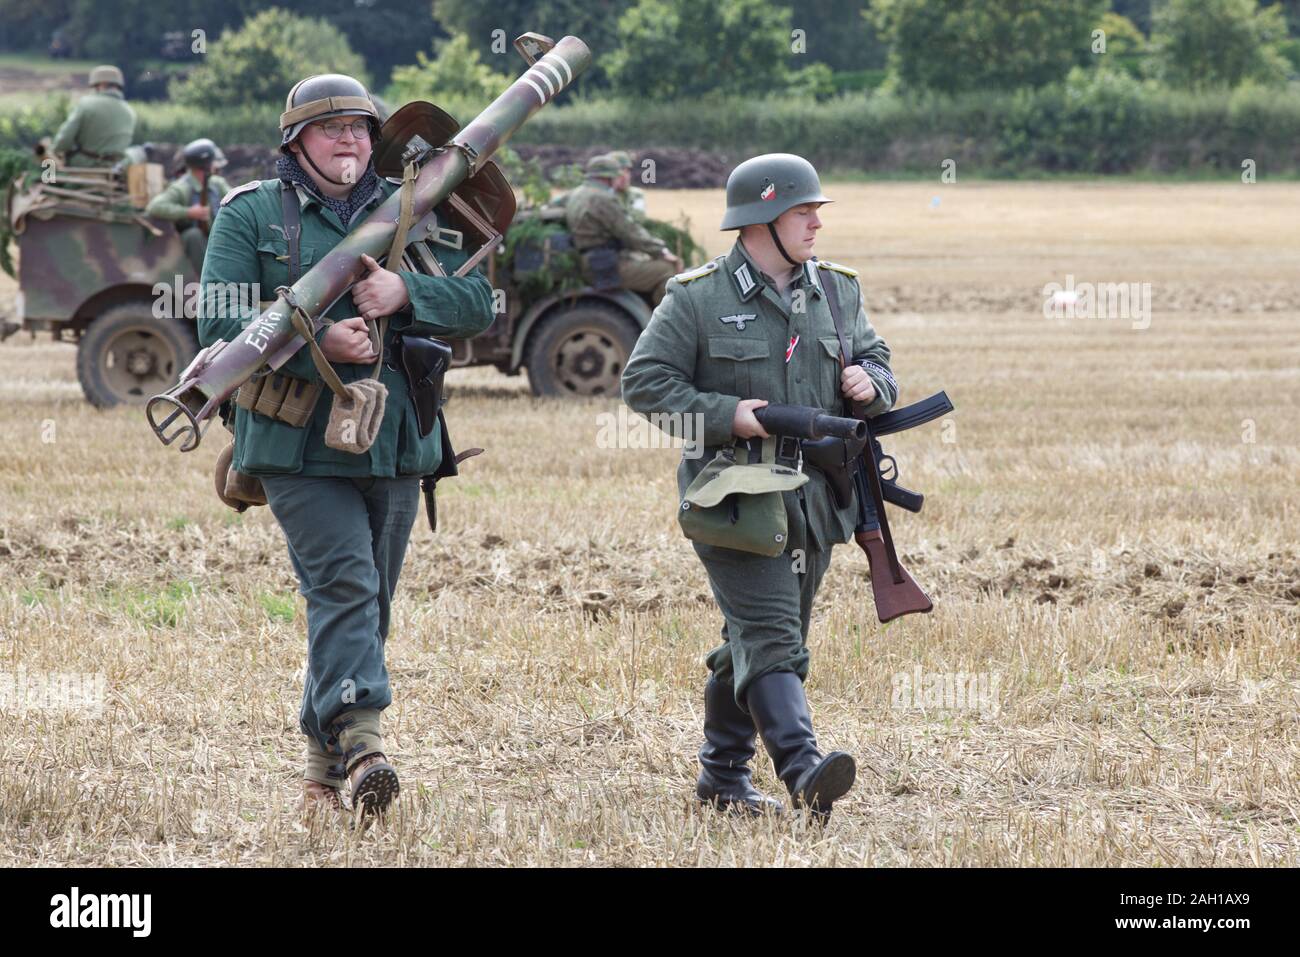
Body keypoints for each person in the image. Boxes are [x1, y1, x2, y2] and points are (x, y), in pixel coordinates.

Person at [198, 73, 495, 820]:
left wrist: (408, 295)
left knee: (363, 608)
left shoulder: (413, 208)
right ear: (294, 142)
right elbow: (218, 325)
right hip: (295, 445)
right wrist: (313, 338)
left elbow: (479, 301)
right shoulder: (252, 215)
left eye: (362, 129)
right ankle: (365, 745)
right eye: (332, 130)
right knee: (345, 590)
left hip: (397, 443)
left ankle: (318, 780)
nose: (351, 142)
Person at [621, 153, 899, 820]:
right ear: (760, 221)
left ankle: (721, 780)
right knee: (775, 639)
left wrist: (872, 383)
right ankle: (803, 769)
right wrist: (728, 416)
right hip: (737, 498)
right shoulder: (696, 297)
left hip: (819, 497)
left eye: (816, 211)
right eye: (804, 211)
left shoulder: (836, 290)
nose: (816, 223)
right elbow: (645, 385)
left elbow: (876, 357)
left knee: (753, 639)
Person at [565, 153, 679, 305]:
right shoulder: (602, 198)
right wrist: (661, 251)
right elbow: (630, 232)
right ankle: (665, 324)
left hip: (592, 260)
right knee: (666, 271)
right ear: (608, 178)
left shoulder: (577, 194)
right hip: (604, 265)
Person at [146, 138, 231, 271]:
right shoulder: (181, 188)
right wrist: (189, 212)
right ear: (205, 165)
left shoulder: (217, 184)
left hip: (219, 239)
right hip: (195, 245)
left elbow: (237, 201)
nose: (216, 166)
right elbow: (155, 207)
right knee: (193, 235)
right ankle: (209, 279)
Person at [51, 65, 136, 167]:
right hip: (116, 168)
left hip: (84, 166)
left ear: (101, 85)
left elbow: (63, 141)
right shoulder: (129, 111)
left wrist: (54, 150)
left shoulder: (86, 104)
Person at [606, 150, 647, 219]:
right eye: (620, 172)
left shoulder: (636, 194)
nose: (624, 176)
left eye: (627, 171)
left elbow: (638, 218)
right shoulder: (601, 195)